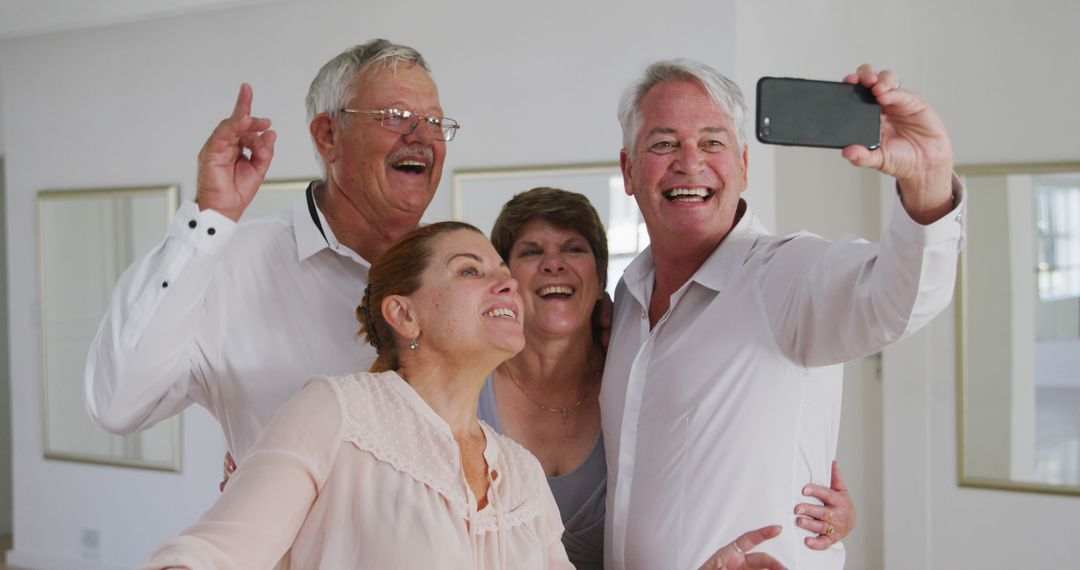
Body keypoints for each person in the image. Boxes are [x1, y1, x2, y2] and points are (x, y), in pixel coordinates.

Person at [142, 222, 784, 569]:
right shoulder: (335, 413)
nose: (506, 286)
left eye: (504, 274)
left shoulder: (521, 477)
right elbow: (210, 555)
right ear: (405, 314)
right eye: (471, 272)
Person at [601, 60, 964, 569]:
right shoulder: (626, 298)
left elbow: (897, 301)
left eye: (712, 142)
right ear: (628, 171)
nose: (690, 162)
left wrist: (927, 179)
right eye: (663, 144)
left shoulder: (788, 274)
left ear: (744, 166)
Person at [84, 39, 455, 459]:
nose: (422, 136)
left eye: (435, 122)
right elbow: (116, 405)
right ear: (328, 136)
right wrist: (210, 217)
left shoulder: (462, 270)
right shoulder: (230, 264)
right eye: (397, 117)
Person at [482, 188, 857, 569]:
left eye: (573, 249)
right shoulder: (469, 383)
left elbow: (728, 447)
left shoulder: (634, 372)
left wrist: (819, 508)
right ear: (505, 280)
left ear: (599, 282)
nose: (553, 264)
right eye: (531, 252)